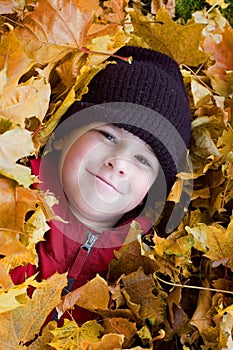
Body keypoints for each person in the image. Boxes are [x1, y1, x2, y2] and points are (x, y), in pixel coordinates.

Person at [10, 46, 192, 325]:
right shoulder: (11, 201)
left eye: (143, 159)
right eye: (108, 136)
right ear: (63, 135)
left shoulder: (139, 276)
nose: (120, 162)